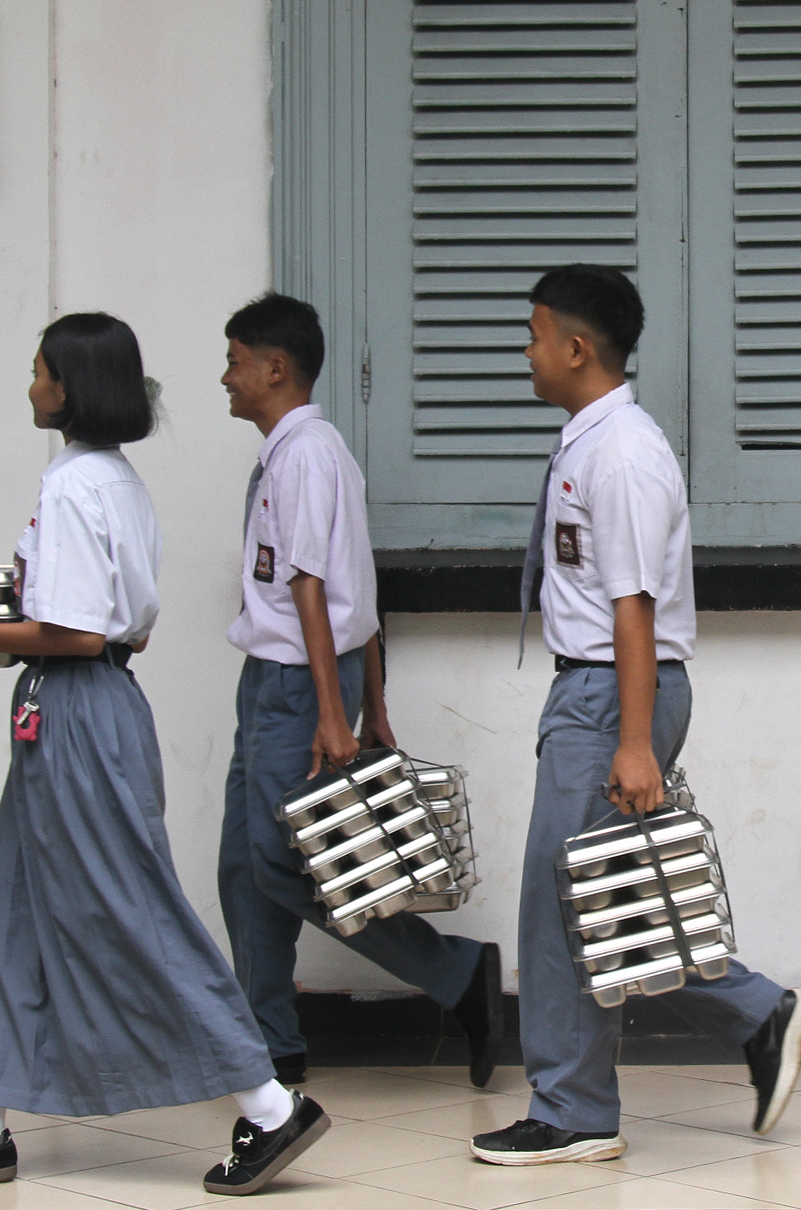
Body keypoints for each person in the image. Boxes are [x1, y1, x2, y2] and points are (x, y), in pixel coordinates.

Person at [0, 312, 329, 1196]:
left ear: (68, 387)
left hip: (79, 712)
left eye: (38, 370)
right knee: (11, 917)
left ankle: (271, 1105)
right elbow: (116, 628)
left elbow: (77, 632)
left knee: (129, 914)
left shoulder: (79, 487)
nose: (30, 385)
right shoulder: (113, 482)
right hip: (79, 707)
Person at [470, 265, 801, 1167]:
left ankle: (575, 1110)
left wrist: (630, 741)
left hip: (611, 695)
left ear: (576, 348)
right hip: (597, 690)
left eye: (536, 332)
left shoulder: (619, 453)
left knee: (564, 903)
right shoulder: (593, 442)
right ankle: (755, 1013)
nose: (527, 349)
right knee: (603, 895)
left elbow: (635, 605)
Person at [214, 292, 503, 1089]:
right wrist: (371, 705)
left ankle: (454, 973)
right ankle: (267, 1045)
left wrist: (337, 716)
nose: (225, 378)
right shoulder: (303, 453)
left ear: (277, 369)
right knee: (243, 867)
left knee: (280, 862)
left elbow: (314, 591)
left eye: (236, 362)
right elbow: (358, 593)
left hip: (297, 686)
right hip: (284, 679)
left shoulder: (306, 455)